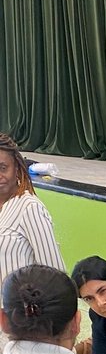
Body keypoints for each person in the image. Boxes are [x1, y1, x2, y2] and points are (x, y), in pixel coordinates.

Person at [0, 134, 65, 343]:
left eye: (3, 168)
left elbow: (54, 270)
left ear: (18, 169)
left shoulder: (29, 207)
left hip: (22, 321)